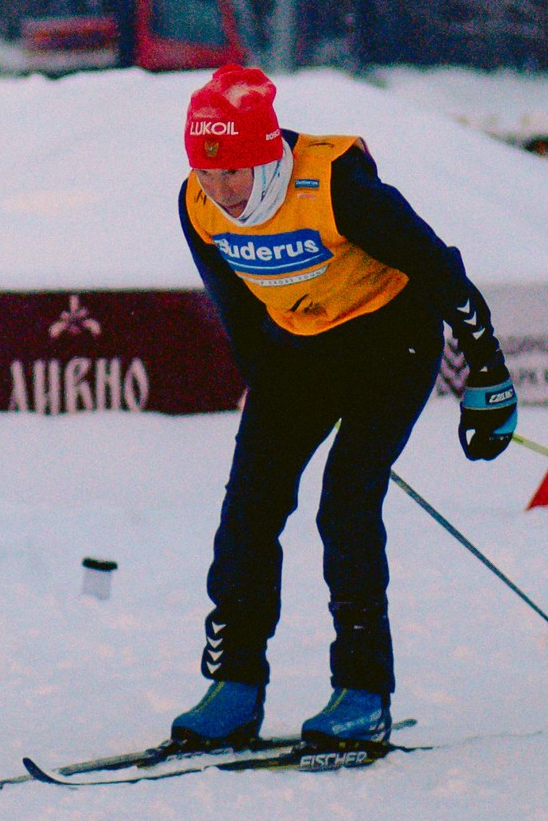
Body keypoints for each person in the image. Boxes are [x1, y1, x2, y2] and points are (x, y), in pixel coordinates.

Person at [170, 63, 517, 753]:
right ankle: (235, 685)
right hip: (301, 351)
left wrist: (488, 374)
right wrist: (269, 403)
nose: (220, 191)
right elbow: (235, 308)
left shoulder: (338, 189)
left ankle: (362, 692)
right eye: (207, 175)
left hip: (392, 345)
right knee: (249, 507)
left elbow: (440, 268)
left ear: (267, 153)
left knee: (345, 504)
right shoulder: (197, 205)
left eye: (233, 174)